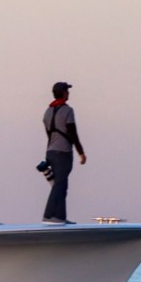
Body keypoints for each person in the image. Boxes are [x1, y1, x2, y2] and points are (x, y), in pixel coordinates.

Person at [42, 81, 86, 224]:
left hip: (51, 152)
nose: (69, 93)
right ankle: (49, 215)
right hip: (63, 153)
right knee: (60, 185)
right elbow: (73, 133)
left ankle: (60, 217)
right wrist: (81, 152)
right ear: (63, 93)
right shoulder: (68, 111)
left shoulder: (47, 112)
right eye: (67, 90)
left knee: (62, 185)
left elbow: (49, 135)